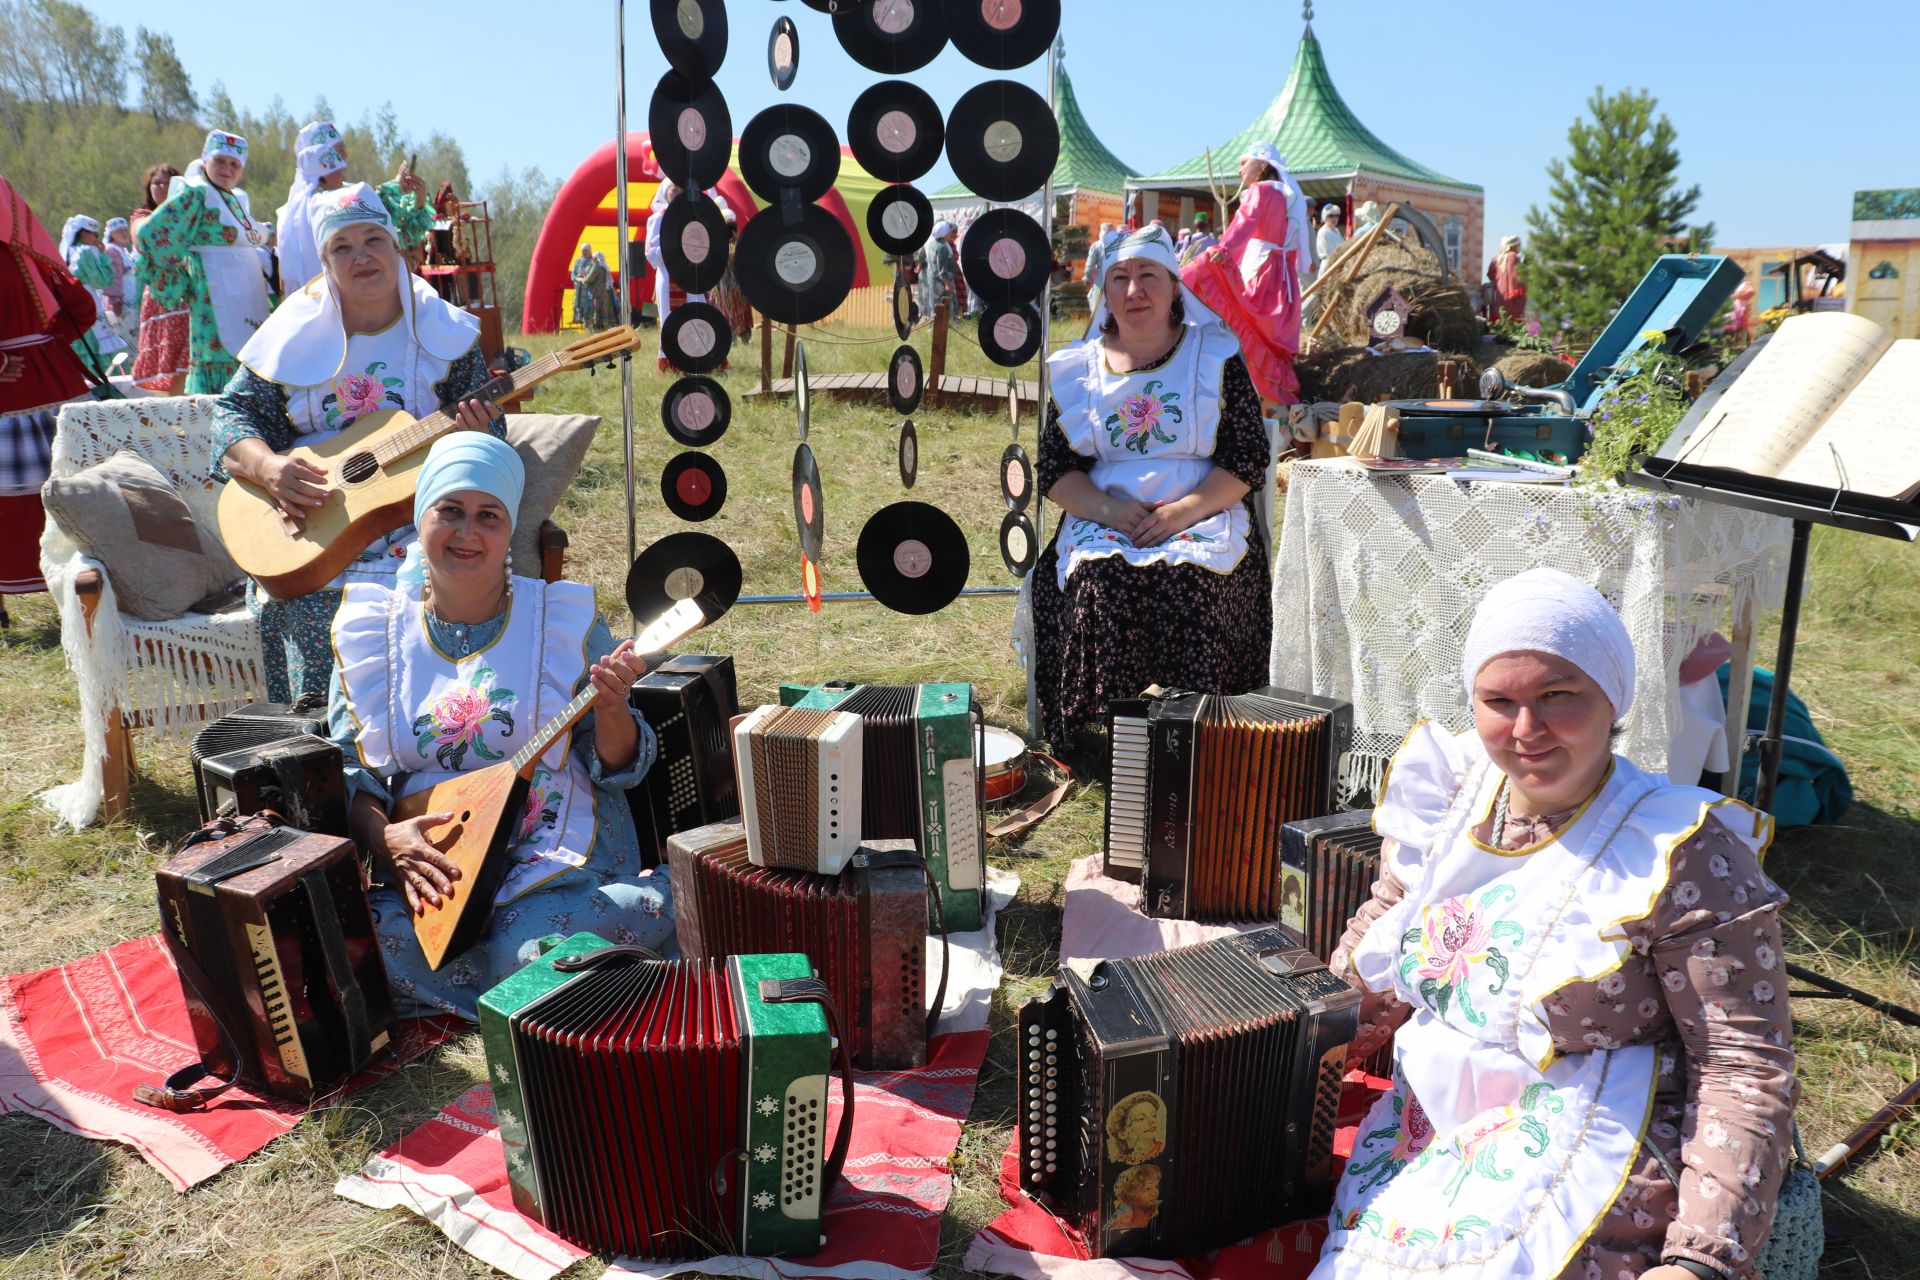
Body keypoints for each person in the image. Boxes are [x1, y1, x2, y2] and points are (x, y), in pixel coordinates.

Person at [1312, 568, 1795, 1280]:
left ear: (1613, 699)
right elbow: (1390, 925)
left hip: (1596, 1129)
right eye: (1498, 701)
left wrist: (1701, 1256)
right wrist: (1320, 1028)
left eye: (1558, 697)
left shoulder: (1678, 850)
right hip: (1433, 1126)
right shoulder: (1449, 796)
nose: (1526, 730)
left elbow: (1741, 1062)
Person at [327, 431, 674, 1018]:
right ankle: (564, 984)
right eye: (450, 511)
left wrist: (612, 706)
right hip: (439, 863)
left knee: (528, 950)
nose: (467, 532)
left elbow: (617, 767)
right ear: (421, 517)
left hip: (556, 851)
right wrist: (387, 839)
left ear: (509, 529)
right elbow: (351, 771)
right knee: (362, 954)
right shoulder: (371, 630)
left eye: (488, 516)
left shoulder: (560, 618)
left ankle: (670, 897)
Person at [213, 183, 502, 704]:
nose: (361, 256)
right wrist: (270, 469)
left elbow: (491, 433)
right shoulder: (294, 331)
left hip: (420, 517)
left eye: (374, 240)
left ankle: (435, 741)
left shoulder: (444, 333)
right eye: (342, 246)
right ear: (324, 260)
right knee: (308, 605)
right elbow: (233, 416)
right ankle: (318, 754)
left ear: (398, 248)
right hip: (311, 526)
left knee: (434, 592)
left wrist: (478, 435)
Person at [1031, 226, 1272, 751]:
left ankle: (1200, 741)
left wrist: (1183, 512)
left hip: (1203, 511)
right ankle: (1107, 744)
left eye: (1147, 276)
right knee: (1103, 581)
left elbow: (1248, 455)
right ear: (1105, 292)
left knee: (1193, 581)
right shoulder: (1081, 370)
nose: (1133, 290)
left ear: (1174, 287)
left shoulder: (1214, 355)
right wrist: (1110, 512)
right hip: (1106, 517)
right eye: (1119, 278)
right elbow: (1054, 469)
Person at [1, 177, 102, 603]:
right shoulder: (32, 253)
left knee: (20, 489)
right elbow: (84, 307)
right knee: (72, 478)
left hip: (14, 384)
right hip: (55, 375)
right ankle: (86, 576)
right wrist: (49, 341)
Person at [134, 129, 272, 394]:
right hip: (213, 294)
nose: (227, 169)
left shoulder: (235, 197)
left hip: (246, 293)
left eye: (234, 164)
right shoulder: (197, 192)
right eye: (220, 161)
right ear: (205, 159)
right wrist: (178, 278)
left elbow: (252, 233)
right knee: (222, 355)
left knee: (250, 351)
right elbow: (154, 235)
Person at [1181, 141, 1305, 405]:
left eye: (1243, 162)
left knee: (1241, 317)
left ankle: (1247, 395)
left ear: (1261, 165)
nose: (1239, 170)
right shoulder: (1285, 196)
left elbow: (1245, 222)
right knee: (1267, 336)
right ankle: (1276, 399)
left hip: (1261, 270)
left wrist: (1223, 249)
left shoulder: (1259, 191)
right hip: (1283, 278)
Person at [277, 139, 349, 293]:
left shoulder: (297, 206)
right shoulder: (321, 204)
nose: (343, 177)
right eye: (339, 172)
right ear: (323, 175)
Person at [58, 215, 126, 375]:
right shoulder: (88, 252)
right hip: (88, 301)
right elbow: (102, 281)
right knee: (98, 342)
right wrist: (103, 255)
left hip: (73, 303)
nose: (96, 238)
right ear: (82, 233)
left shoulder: (71, 252)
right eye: (93, 234)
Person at [919, 219, 959, 319]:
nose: (950, 234)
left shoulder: (933, 244)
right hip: (941, 283)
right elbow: (942, 269)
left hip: (934, 281)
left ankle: (933, 328)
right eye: (949, 232)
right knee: (946, 307)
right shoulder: (942, 248)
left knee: (935, 306)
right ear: (944, 233)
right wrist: (947, 284)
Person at [1486, 233, 1526, 323]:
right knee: (1513, 318)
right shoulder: (1514, 257)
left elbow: (1490, 274)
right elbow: (1517, 276)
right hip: (1514, 294)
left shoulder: (1496, 259)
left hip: (1500, 294)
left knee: (1500, 315)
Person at [1312, 203, 1346, 281]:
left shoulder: (1336, 230)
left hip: (1338, 265)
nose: (1334, 218)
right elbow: (1329, 252)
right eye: (1330, 216)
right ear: (1325, 217)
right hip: (1329, 266)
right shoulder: (1323, 232)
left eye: (1336, 215)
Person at [570, 242, 598, 330]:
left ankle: (589, 324)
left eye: (586, 250)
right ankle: (579, 318)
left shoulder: (592, 261)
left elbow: (593, 274)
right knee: (578, 305)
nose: (584, 252)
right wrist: (577, 278)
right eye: (582, 251)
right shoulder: (578, 261)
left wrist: (586, 278)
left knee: (588, 306)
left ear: (589, 251)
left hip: (588, 288)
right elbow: (573, 274)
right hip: (579, 287)